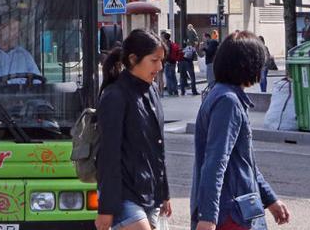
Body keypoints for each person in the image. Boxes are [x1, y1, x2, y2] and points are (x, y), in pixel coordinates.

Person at [191, 31, 290, 230]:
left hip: (233, 209)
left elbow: (243, 162)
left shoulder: (222, 94)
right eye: (260, 64)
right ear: (248, 65)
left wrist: (269, 199)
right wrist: (208, 217)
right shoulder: (228, 102)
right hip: (231, 214)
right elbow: (215, 162)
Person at [96, 29, 172, 230]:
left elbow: (158, 148)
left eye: (161, 60)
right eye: (154, 61)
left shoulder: (153, 91)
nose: (160, 67)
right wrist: (106, 208)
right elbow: (108, 154)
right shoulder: (115, 95)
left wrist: (164, 194)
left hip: (151, 194)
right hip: (124, 195)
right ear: (132, 59)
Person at [161, 30, 180, 96]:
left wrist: (164, 61)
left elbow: (167, 53)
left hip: (168, 62)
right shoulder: (172, 43)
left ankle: (170, 91)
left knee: (168, 77)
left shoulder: (166, 44)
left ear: (164, 37)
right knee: (173, 76)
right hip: (173, 62)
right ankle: (175, 90)